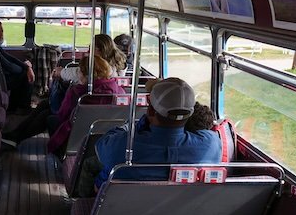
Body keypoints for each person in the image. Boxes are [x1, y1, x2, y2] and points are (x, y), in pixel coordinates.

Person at [92, 78, 222, 190]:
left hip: (121, 213)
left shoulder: (122, 145)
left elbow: (101, 146)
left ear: (150, 111)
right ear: (190, 113)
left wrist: (133, 126)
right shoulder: (211, 143)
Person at [46, 56, 124, 154]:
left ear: (84, 74)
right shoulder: (118, 90)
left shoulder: (78, 93)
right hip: (107, 134)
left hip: (77, 135)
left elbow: (63, 114)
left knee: (50, 119)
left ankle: (59, 153)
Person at [0, 21, 34, 112]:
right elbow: (8, 66)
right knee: (24, 75)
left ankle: (16, 105)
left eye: (1, 31)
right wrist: (25, 69)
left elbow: (9, 57)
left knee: (23, 72)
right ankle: (23, 107)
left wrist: (26, 67)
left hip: (3, 75)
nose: (1, 34)